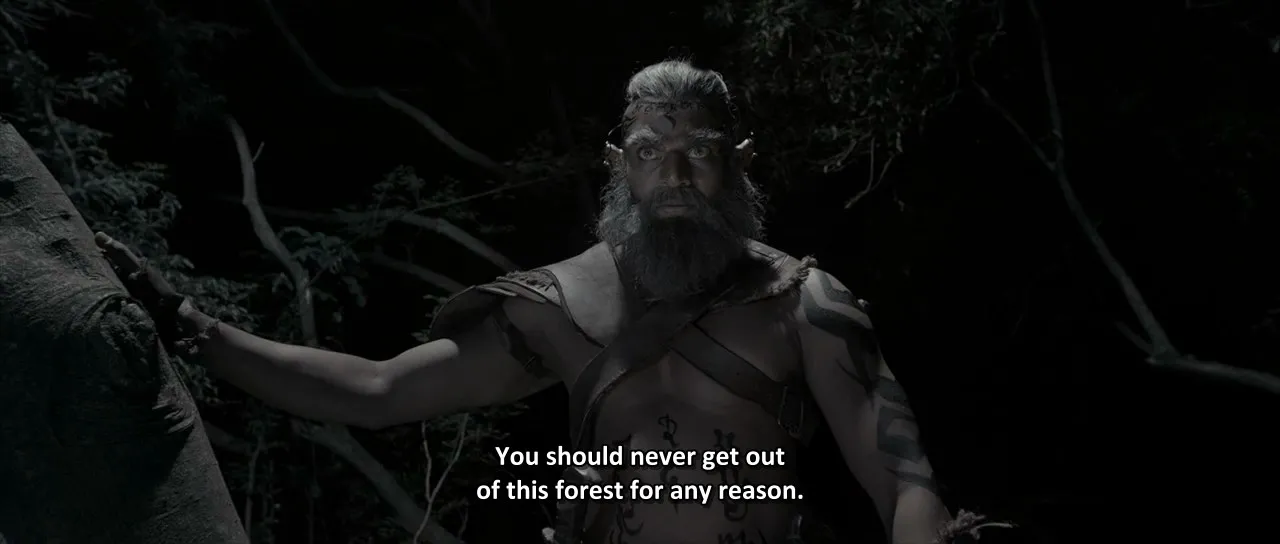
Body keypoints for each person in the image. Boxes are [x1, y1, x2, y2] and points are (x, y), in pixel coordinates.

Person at [96, 59, 952, 544]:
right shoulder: (557, 305)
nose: (676, 174)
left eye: (701, 151)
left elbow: (905, 484)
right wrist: (192, 324)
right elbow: (376, 390)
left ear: (739, 162)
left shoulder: (801, 301)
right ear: (619, 164)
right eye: (650, 151)